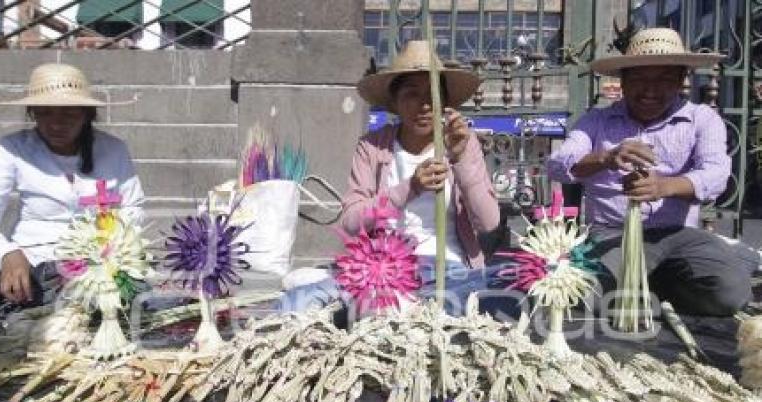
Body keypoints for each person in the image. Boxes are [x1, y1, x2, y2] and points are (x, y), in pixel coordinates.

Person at [281, 40, 501, 316]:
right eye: (411, 94)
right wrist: (410, 187)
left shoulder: (462, 145)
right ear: (395, 103)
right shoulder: (373, 147)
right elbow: (351, 222)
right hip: (383, 271)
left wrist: (459, 158)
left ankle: (420, 310)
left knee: (507, 286)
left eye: (431, 95)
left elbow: (489, 221)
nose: (424, 106)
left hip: (450, 271)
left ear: (444, 103)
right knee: (295, 304)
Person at [547, 27, 755, 317]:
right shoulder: (597, 121)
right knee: (582, 295)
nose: (650, 91)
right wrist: (605, 157)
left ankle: (654, 285)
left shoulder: (702, 119)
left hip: (678, 234)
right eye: (639, 79)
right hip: (611, 233)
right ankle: (640, 286)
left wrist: (664, 187)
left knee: (729, 293)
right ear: (623, 80)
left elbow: (717, 174)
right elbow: (558, 164)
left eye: (664, 80)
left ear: (682, 80)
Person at [0, 63, 145, 321]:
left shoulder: (113, 150)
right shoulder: (13, 148)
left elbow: (133, 210)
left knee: (125, 309)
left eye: (69, 114)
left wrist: (105, 256)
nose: (56, 124)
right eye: (45, 113)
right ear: (32, 113)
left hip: (99, 262)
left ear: (87, 114)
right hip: (31, 259)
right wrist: (6, 253)